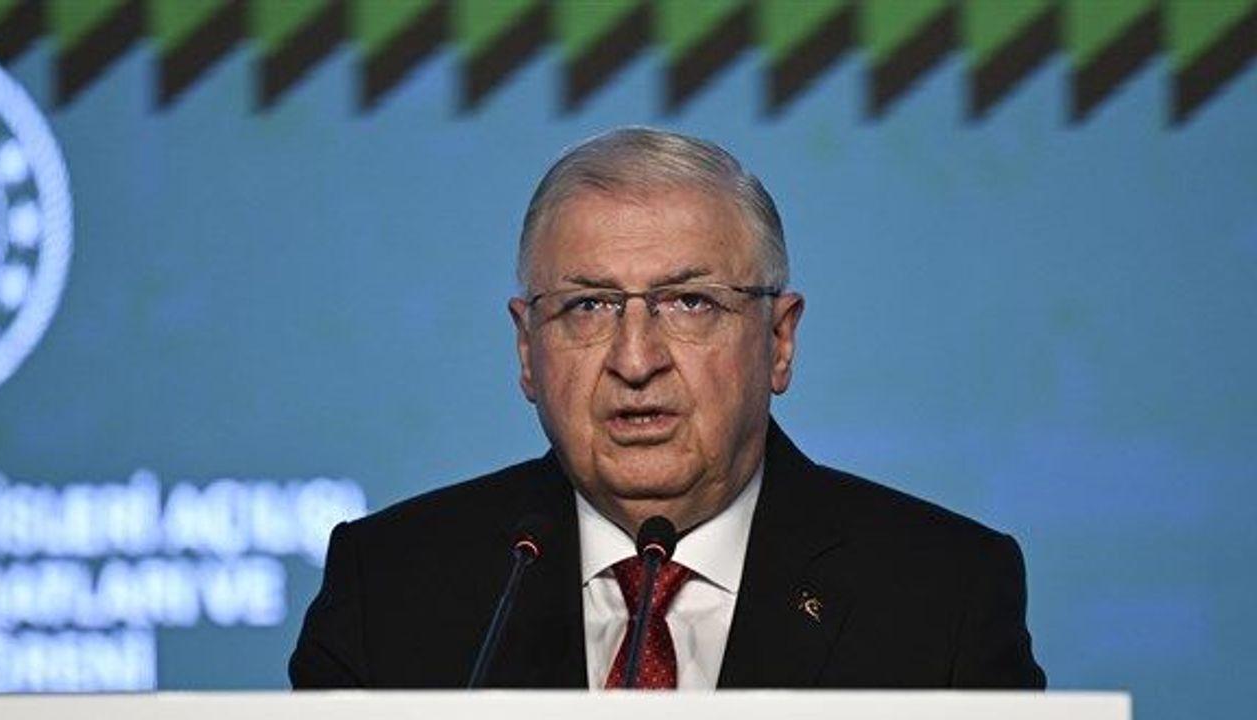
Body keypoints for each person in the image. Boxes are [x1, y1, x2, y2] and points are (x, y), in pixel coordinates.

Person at [289, 127, 1046, 690]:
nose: (635, 359)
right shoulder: (390, 584)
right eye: (588, 306)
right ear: (527, 349)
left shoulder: (942, 591)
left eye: (690, 302)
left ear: (779, 340)